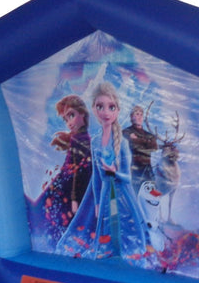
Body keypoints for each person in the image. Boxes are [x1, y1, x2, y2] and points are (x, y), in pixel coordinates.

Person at [55, 83, 147, 260]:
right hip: (105, 194)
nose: (106, 112)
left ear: (117, 110)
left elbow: (128, 178)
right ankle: (109, 253)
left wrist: (114, 172)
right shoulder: (95, 141)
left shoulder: (122, 143)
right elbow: (96, 177)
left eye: (111, 107)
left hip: (122, 196)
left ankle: (124, 254)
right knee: (106, 227)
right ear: (94, 109)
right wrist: (97, 202)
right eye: (100, 107)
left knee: (123, 227)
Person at [43, 95, 92, 244]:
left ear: (82, 113)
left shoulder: (81, 140)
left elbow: (79, 172)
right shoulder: (78, 138)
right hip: (67, 191)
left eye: (71, 115)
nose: (69, 123)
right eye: (66, 119)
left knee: (68, 228)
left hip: (71, 193)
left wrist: (74, 199)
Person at [122, 104, 158, 190]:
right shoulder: (126, 131)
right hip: (134, 169)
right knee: (135, 191)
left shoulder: (149, 135)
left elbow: (154, 147)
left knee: (151, 192)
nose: (139, 117)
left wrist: (138, 140)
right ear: (132, 116)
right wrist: (147, 142)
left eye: (141, 114)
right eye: (137, 114)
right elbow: (133, 145)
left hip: (148, 169)